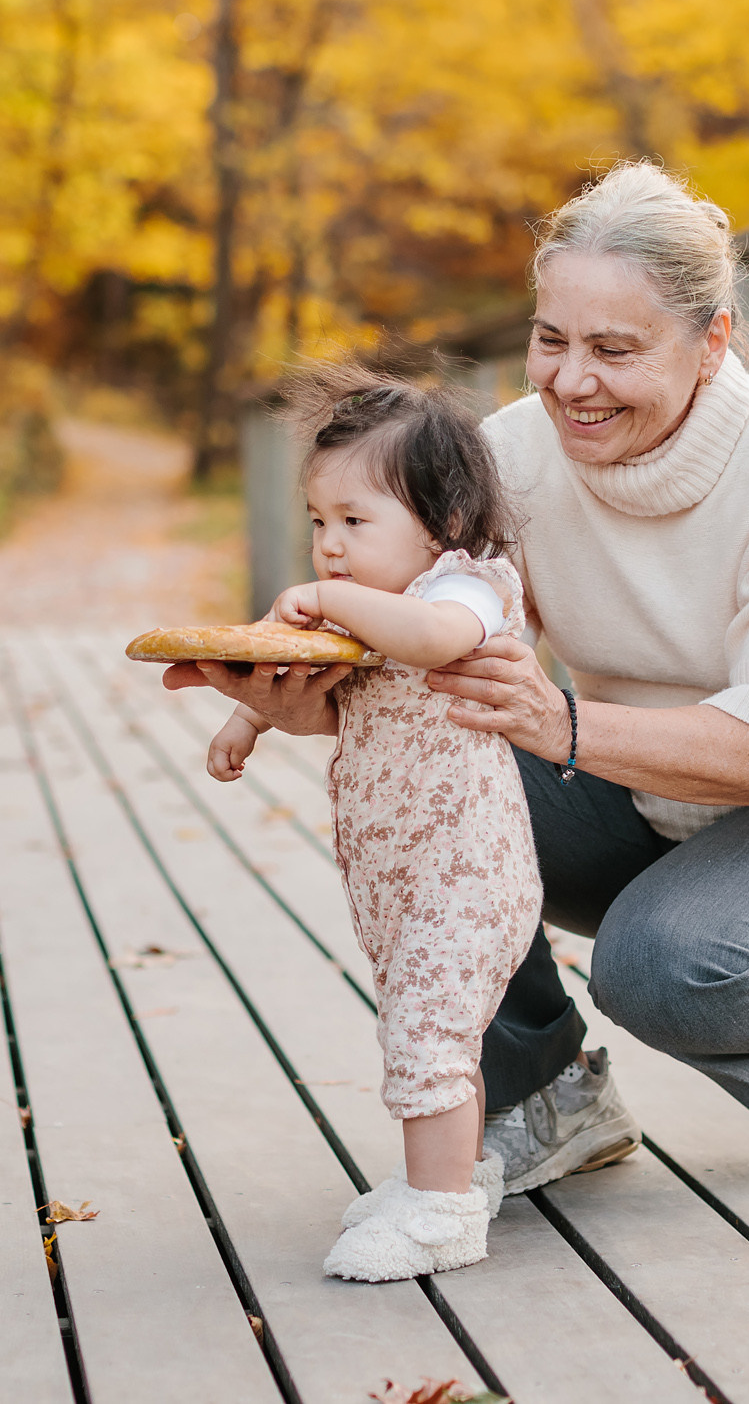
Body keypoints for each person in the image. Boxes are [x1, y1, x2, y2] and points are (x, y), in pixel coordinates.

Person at [179, 159, 749, 1197]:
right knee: (422, 802)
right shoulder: (510, 453)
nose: (570, 381)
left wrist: (563, 724)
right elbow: (441, 656)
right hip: (634, 793)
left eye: (614, 350)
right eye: (551, 340)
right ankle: (547, 1097)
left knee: (660, 961)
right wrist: (303, 701)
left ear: (710, 340)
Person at [202, 367, 541, 1282]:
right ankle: (441, 1176)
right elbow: (335, 705)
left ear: (443, 519)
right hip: (396, 874)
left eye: (356, 521)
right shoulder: (368, 623)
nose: (330, 547)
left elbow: (436, 642)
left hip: (468, 868)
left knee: (428, 1033)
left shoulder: (467, 588)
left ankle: (441, 1212)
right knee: (417, 1023)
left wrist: (331, 602)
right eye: (319, 522)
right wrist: (251, 711)